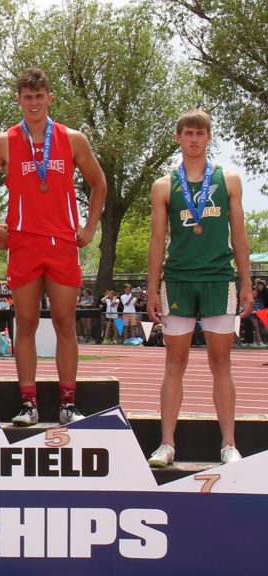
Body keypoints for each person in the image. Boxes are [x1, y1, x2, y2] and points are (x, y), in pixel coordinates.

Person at [0, 68, 107, 427]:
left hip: (62, 242)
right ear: (19, 100)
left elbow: (99, 183)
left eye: (39, 95)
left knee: (65, 323)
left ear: (50, 98)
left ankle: (68, 403)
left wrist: (90, 226)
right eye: (27, 97)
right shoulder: (5, 141)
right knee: (25, 323)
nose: (34, 102)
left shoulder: (73, 139)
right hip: (23, 242)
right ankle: (27, 403)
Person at [146, 109, 254, 467]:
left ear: (209, 137)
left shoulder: (229, 179)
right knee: (173, 363)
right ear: (178, 138)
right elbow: (157, 239)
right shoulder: (164, 185)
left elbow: (238, 233)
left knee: (221, 362)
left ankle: (229, 444)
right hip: (177, 280)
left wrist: (246, 281)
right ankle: (166, 444)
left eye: (200, 133)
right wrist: (151, 289)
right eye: (188, 133)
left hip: (218, 278)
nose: (194, 139)